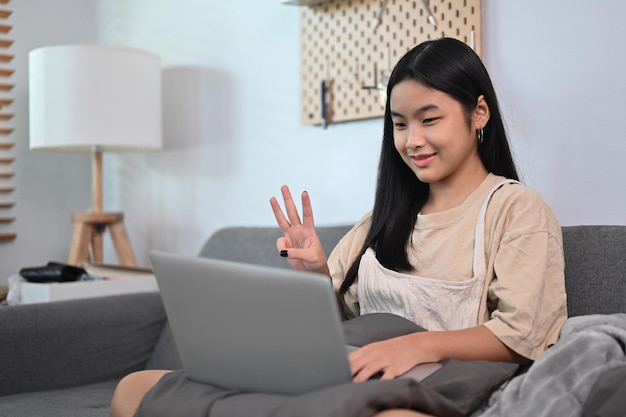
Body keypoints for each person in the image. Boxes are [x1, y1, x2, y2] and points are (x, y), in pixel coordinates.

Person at [110, 37, 567, 417]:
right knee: (133, 389)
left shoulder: (515, 210)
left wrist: (417, 347)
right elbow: (338, 328)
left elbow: (521, 336)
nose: (413, 141)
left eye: (430, 120)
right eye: (400, 124)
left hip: (433, 388)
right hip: (345, 375)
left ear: (479, 113)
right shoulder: (383, 219)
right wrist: (314, 278)